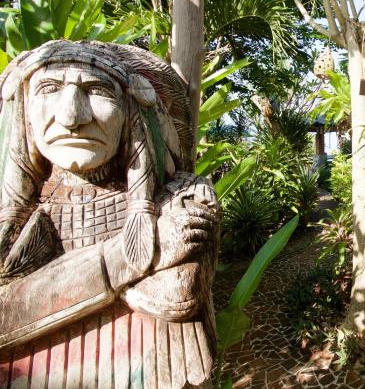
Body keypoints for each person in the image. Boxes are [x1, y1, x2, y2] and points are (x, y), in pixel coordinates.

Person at [0, 40, 219, 389]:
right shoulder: (17, 216)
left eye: (97, 90)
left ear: (132, 110)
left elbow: (177, 296)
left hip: (147, 369)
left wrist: (39, 291)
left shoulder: (182, 196)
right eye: (49, 88)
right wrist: (128, 259)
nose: (72, 117)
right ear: (25, 107)